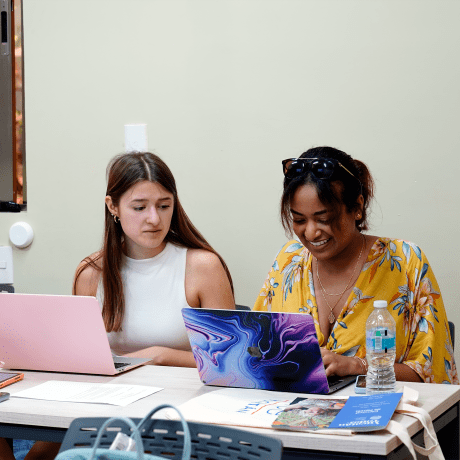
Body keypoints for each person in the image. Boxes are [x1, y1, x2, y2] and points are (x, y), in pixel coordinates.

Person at [17, 152, 235, 460]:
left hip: (179, 411)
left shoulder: (202, 267)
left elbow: (230, 366)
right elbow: (81, 360)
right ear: (113, 206)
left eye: (164, 205)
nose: (154, 218)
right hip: (104, 406)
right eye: (139, 207)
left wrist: (160, 356)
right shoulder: (92, 272)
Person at [253, 146, 458, 384]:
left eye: (324, 219)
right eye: (299, 219)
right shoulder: (288, 260)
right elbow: (258, 352)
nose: (310, 232)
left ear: (358, 208)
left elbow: (433, 375)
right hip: (290, 413)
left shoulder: (405, 262)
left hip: (378, 413)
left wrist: (356, 365)